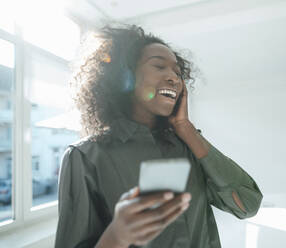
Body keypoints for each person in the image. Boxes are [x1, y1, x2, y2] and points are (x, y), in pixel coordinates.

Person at [55, 25, 262, 248]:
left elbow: (248, 204)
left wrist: (186, 128)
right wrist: (117, 236)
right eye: (159, 66)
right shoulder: (86, 156)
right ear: (125, 77)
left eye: (177, 72)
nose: (174, 78)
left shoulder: (187, 146)